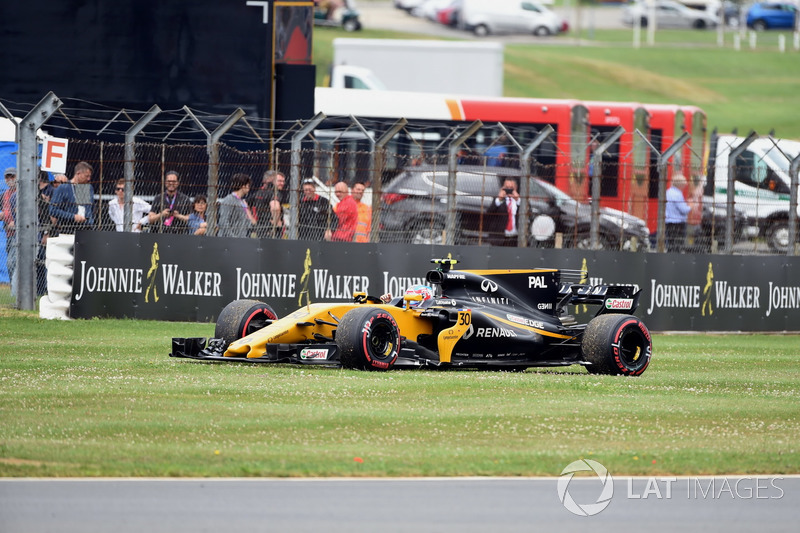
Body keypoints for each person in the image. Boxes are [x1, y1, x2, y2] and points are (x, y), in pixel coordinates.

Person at [50, 161, 95, 234]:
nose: (89, 179)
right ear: (78, 174)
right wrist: (73, 216)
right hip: (67, 230)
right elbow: (53, 210)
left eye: (90, 176)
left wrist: (89, 221)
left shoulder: (86, 187)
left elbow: (87, 210)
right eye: (87, 176)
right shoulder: (64, 188)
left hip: (85, 230)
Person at [148, 170, 192, 234]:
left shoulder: (185, 199)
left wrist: (178, 216)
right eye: (169, 181)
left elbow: (190, 219)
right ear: (165, 182)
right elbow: (150, 219)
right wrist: (161, 214)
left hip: (179, 234)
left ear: (178, 183)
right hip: (159, 233)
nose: (171, 183)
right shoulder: (158, 198)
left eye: (174, 181)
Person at [219, 173, 256, 238]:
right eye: (248, 185)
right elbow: (223, 221)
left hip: (240, 239)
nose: (249, 187)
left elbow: (244, 221)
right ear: (243, 186)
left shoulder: (242, 202)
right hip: (228, 241)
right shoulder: (229, 199)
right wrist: (233, 237)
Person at [252, 170, 288, 239]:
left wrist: (253, 220)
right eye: (279, 181)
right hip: (272, 228)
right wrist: (276, 221)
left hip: (261, 227)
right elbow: (275, 208)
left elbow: (245, 203)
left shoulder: (259, 192)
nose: (282, 183)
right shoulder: (274, 192)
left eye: (283, 181)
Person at [487, 178, 521, 246]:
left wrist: (518, 200)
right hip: (499, 238)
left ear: (516, 188)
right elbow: (489, 213)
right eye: (506, 188)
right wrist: (499, 199)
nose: (508, 190)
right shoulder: (498, 200)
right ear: (502, 188)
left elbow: (528, 212)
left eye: (511, 188)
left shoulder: (520, 201)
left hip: (515, 238)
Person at [1, 168, 17, 295]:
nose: (10, 179)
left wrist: (16, 223)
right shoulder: (4, 194)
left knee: (12, 262)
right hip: (9, 233)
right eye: (7, 177)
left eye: (12, 176)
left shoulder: (20, 193)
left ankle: (15, 292)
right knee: (10, 263)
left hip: (19, 233)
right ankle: (14, 289)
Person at [665, 173, 691, 253]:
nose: (684, 187)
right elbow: (683, 210)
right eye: (683, 185)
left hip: (669, 221)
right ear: (680, 184)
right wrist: (691, 206)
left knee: (671, 244)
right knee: (678, 245)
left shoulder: (668, 192)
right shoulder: (677, 194)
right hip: (678, 223)